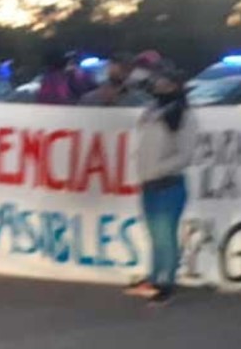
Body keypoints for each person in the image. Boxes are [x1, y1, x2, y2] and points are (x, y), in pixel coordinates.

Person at [126, 65, 196, 306]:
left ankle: (166, 282)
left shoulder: (183, 115)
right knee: (156, 235)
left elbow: (186, 154)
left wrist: (158, 168)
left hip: (168, 184)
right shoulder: (153, 111)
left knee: (165, 235)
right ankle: (155, 276)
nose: (157, 86)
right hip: (149, 183)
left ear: (174, 86)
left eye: (162, 82)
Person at [80, 53, 152, 107]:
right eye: (122, 66)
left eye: (128, 68)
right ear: (109, 66)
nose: (124, 71)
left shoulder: (141, 99)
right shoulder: (89, 99)